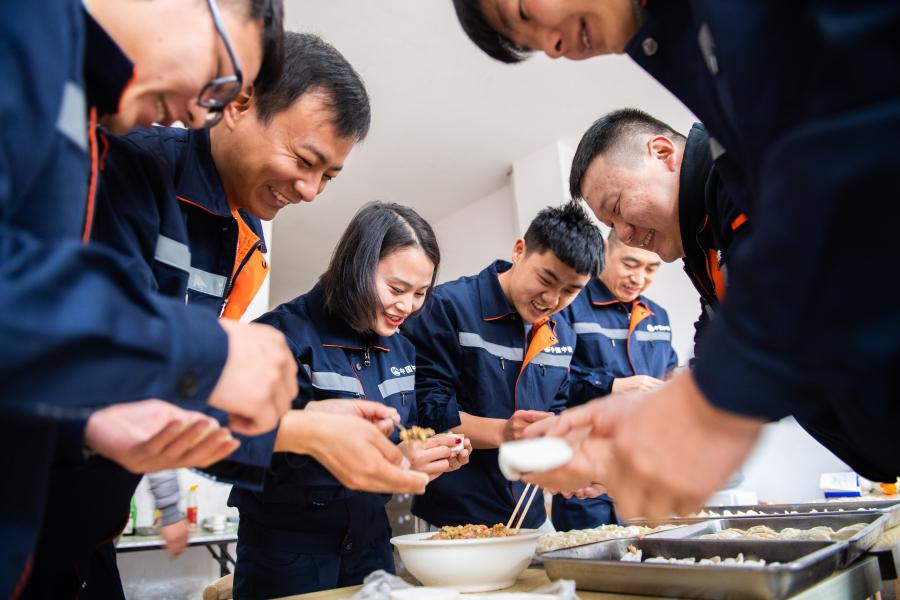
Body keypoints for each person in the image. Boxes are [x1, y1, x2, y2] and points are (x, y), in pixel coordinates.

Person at [450, 0, 900, 517]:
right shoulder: (704, 249)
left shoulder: (732, 181)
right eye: (531, 46)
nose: (625, 236)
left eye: (526, 10)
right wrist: (636, 418)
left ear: (663, 154)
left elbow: (838, 193)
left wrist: (706, 406)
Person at [24, 32, 427, 600]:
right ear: (240, 105)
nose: (311, 191)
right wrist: (297, 429)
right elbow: (108, 367)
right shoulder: (129, 172)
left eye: (329, 176)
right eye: (305, 161)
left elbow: (181, 391)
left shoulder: (245, 236)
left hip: (89, 525)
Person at [0, 0, 295, 596]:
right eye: (217, 77)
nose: (197, 114)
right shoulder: (27, 29)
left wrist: (95, 420)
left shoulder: (88, 113)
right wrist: (198, 350)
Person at [229, 202, 471, 598]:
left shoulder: (402, 351)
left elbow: (398, 437)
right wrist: (389, 460)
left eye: (420, 294)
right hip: (288, 552)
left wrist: (422, 455)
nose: (407, 307)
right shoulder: (278, 338)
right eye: (396, 289)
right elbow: (249, 451)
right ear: (356, 267)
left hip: (371, 546)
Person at [404, 202, 603, 530]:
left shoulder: (561, 330)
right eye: (546, 279)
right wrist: (506, 433)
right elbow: (426, 411)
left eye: (570, 291)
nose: (552, 300)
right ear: (519, 250)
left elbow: (555, 410)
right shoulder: (448, 307)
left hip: (531, 514)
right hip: (456, 517)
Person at [568, 108, 744, 349]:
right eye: (610, 224)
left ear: (662, 153)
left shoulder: (742, 172)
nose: (624, 235)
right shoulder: (699, 242)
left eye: (617, 207)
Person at [552, 229, 676, 531]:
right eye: (630, 264)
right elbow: (552, 382)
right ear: (606, 250)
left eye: (651, 269)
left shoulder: (656, 315)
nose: (639, 278)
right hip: (587, 484)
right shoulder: (569, 306)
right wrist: (612, 386)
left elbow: (670, 372)